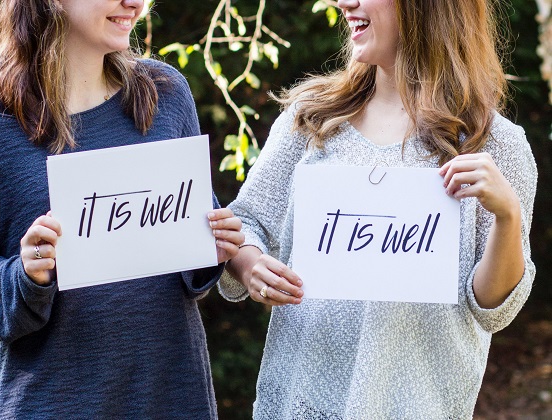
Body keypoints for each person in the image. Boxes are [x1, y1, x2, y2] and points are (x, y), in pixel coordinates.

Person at [219, 0, 537, 418]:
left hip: (419, 407)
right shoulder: (311, 119)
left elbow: (492, 307)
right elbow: (247, 223)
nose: (344, 3)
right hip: (301, 400)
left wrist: (507, 217)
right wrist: (250, 265)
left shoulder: (494, 143)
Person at [0, 0, 244, 418]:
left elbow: (191, 264)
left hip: (173, 400)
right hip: (49, 405)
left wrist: (212, 249)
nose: (136, 3)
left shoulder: (166, 93)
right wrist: (25, 276)